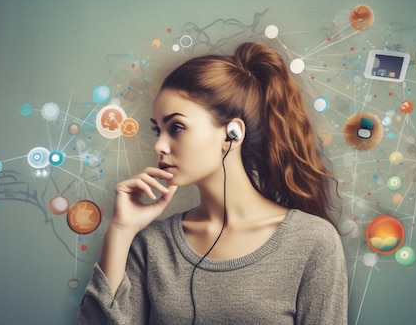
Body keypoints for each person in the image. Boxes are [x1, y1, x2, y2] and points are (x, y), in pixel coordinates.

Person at [77, 42, 348, 324]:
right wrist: (121, 231)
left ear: (232, 133)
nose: (159, 145)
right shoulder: (152, 245)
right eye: (158, 129)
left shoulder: (312, 242)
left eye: (176, 128)